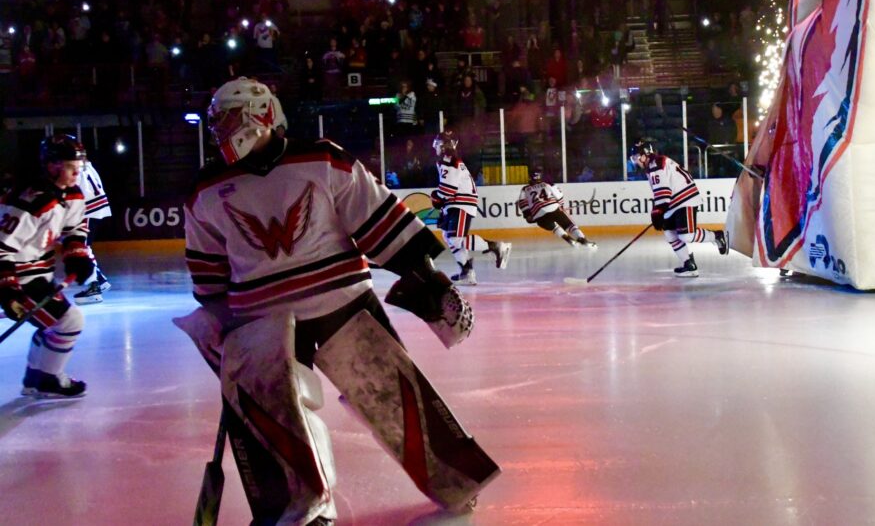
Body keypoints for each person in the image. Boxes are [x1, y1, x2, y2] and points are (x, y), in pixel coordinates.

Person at [181, 77, 485, 523]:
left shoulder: (322, 159)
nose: (221, 131)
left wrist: (429, 282)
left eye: (229, 119)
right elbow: (209, 275)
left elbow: (377, 220)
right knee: (282, 422)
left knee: (394, 399)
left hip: (344, 304)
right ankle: (307, 509)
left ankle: (453, 479)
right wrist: (221, 328)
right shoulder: (206, 190)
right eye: (216, 123)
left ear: (262, 113)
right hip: (262, 321)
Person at [0, 135, 96, 398]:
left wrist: (76, 255)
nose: (77, 172)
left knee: (53, 325)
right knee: (69, 321)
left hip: (39, 273)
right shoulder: (32, 201)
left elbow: (75, 228)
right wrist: (8, 290)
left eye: (79, 166)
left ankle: (35, 379)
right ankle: (48, 380)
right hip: (20, 277)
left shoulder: (72, 193)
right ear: (52, 166)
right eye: (70, 166)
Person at [629, 139, 728, 277]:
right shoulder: (652, 165)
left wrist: (658, 211)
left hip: (684, 199)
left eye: (636, 157)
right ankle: (689, 265)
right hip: (673, 202)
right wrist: (658, 211)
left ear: (645, 154)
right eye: (633, 158)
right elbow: (661, 193)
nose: (635, 161)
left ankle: (717, 236)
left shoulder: (656, 164)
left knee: (687, 235)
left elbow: (663, 192)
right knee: (670, 233)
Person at [431, 130, 510, 284]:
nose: (436, 147)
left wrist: (437, 198)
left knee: (455, 239)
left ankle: (496, 246)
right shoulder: (451, 160)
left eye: (438, 144)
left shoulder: (448, 160)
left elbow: (448, 189)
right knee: (448, 236)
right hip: (457, 203)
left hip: (460, 203)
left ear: (445, 145)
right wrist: (442, 202)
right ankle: (466, 270)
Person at [516, 170, 595, 248]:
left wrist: (527, 215)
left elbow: (522, 203)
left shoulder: (525, 189)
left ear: (530, 178)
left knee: (554, 227)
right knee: (569, 225)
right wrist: (561, 206)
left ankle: (568, 239)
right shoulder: (548, 184)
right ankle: (583, 241)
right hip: (553, 209)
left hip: (538, 216)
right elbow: (559, 196)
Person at [72, 157, 111, 304]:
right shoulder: (87, 165)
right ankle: (99, 280)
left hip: (87, 210)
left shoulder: (74, 168)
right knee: (84, 247)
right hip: (94, 208)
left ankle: (94, 287)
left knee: (81, 248)